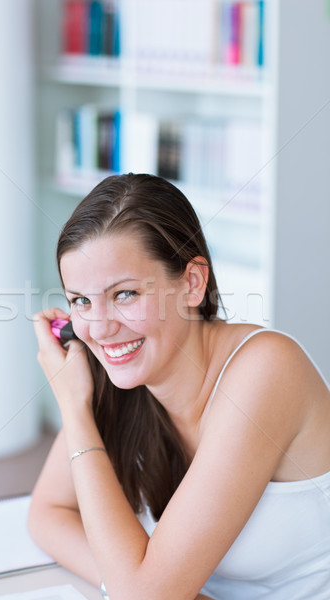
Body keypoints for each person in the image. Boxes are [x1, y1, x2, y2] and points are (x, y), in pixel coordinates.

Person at [28, 173, 330, 600]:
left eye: (126, 294)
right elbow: (47, 512)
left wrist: (75, 411)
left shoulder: (266, 369)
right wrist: (123, 578)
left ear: (192, 283)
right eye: (81, 300)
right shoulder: (120, 371)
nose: (99, 328)